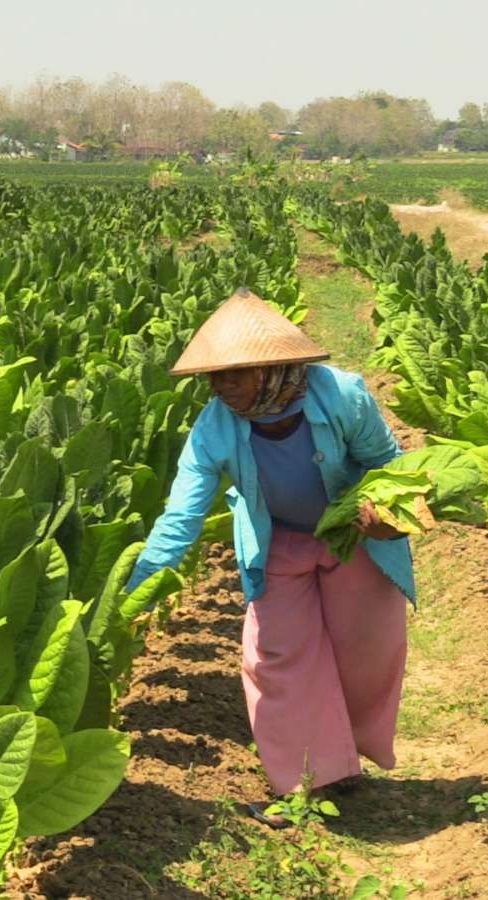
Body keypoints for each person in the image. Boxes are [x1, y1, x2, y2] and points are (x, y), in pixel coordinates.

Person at [124, 287, 414, 825]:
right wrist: (139, 587)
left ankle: (345, 757)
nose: (220, 387)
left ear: (273, 367)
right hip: (277, 543)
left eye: (233, 374)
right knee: (276, 658)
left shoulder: (343, 397)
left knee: (366, 651)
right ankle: (304, 781)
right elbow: (181, 517)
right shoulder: (214, 427)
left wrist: (385, 511)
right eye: (214, 377)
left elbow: (389, 464)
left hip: (350, 538)